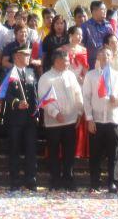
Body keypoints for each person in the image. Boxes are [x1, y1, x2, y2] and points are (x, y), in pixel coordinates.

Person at [38, 48, 83, 191]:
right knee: (53, 152)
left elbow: (78, 93)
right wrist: (55, 113)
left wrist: (80, 111)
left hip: (70, 121)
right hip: (53, 123)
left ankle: (69, 179)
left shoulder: (70, 75)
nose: (68, 63)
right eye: (66, 61)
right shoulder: (46, 78)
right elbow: (43, 99)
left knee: (69, 152)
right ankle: (55, 180)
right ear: (57, 61)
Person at [82, 47, 118, 193]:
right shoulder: (91, 75)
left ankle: (112, 182)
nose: (105, 56)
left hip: (113, 119)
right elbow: (86, 98)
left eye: (108, 54)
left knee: (114, 154)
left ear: (112, 57)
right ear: (98, 57)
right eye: (102, 54)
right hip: (97, 120)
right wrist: (89, 119)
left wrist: (117, 99)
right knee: (95, 153)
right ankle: (95, 182)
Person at [3, 46, 39, 190]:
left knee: (31, 149)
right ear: (17, 57)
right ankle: (15, 180)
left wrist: (36, 114)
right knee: (15, 149)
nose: (29, 58)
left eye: (29, 55)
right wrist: (17, 103)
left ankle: (31, 179)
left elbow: (35, 94)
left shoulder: (31, 72)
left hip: (29, 119)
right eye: (26, 55)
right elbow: (5, 94)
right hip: (15, 119)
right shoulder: (9, 73)